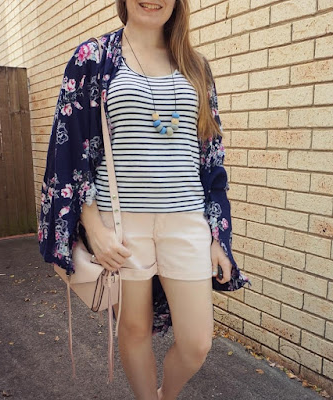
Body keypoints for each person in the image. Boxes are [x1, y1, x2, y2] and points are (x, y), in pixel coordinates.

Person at [38, 0, 251, 398]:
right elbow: (71, 147)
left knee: (197, 342)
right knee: (133, 330)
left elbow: (212, 156)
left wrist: (219, 238)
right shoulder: (94, 57)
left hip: (187, 222)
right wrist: (92, 225)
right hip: (122, 223)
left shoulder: (196, 66)